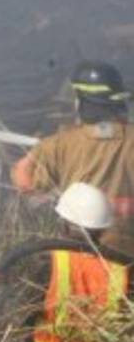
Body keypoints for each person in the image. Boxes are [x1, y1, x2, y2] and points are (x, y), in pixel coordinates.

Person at [12, 61, 134, 257]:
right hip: (128, 258)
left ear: (81, 103)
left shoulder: (57, 145)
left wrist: (32, 161)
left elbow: (24, 182)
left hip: (77, 255)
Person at [32, 182, 129, 342]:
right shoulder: (121, 271)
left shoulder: (48, 262)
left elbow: (23, 317)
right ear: (102, 230)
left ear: (64, 224)